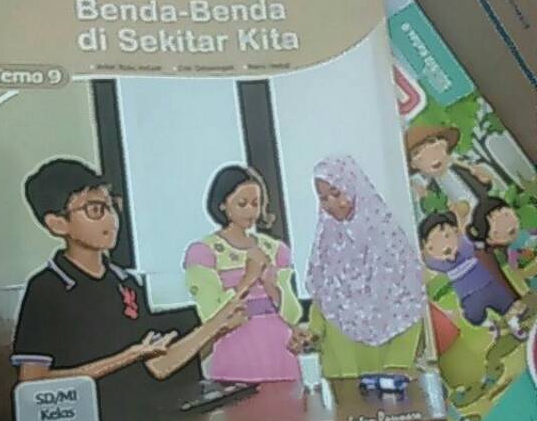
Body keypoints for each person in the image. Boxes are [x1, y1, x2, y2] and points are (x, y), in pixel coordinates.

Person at [12, 158, 245, 421]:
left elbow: (158, 365)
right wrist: (125, 357)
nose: (110, 219)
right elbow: (32, 384)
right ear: (57, 223)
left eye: (111, 206)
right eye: (95, 209)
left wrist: (216, 326)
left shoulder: (126, 283)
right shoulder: (46, 289)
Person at [183, 165, 309, 383]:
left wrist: (271, 286)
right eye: (242, 204)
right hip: (235, 348)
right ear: (222, 204)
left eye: (256, 204)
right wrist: (248, 279)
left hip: (280, 350)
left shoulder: (274, 249)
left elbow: (293, 313)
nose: (251, 211)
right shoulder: (204, 252)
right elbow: (211, 315)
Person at [305, 155, 426, 378]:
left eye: (336, 193)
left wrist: (398, 363)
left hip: (388, 367)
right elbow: (323, 298)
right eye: (323, 199)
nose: (331, 204)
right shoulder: (326, 243)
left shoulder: (387, 239)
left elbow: (409, 303)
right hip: (341, 368)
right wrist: (311, 333)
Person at [420, 210, 527, 341]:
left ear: (456, 232)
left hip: (488, 284)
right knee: (474, 317)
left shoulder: (465, 244)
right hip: (469, 297)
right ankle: (490, 324)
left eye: (447, 236)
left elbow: (474, 239)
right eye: (433, 246)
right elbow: (427, 261)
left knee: (506, 306)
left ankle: (515, 325)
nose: (444, 246)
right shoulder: (438, 263)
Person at [405, 125, 496, 217]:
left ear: (445, 145)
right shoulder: (432, 190)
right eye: (417, 153)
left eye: (432, 142)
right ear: (413, 165)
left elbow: (484, 186)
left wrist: (485, 180)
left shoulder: (463, 169)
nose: (431, 157)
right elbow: (433, 211)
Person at [468, 196, 537, 293]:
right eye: (498, 228)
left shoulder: (528, 233)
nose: (507, 226)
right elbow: (521, 271)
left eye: (507, 216)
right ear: (490, 240)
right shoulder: (512, 253)